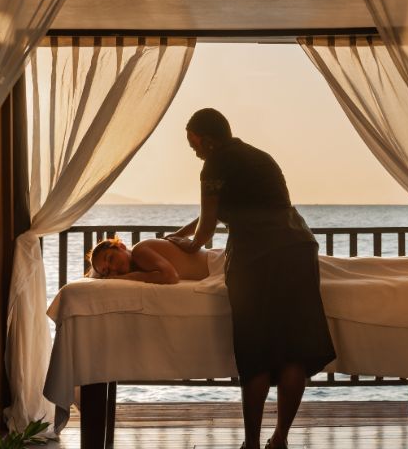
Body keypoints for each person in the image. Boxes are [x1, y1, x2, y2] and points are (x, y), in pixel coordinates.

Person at [165, 108, 336, 449]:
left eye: (194, 143)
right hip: (297, 250)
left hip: (257, 260)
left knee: (255, 353)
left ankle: (252, 444)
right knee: (294, 353)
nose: (194, 151)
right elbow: (208, 216)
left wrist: (191, 244)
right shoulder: (259, 157)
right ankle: (280, 439)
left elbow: (208, 225)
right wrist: (182, 234)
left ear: (209, 141)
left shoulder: (213, 164)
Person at [87, 236, 210, 283]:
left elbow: (171, 277)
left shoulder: (139, 252)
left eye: (110, 258)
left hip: (218, 265)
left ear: (121, 246)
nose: (113, 268)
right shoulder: (140, 263)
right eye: (107, 271)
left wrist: (124, 277)